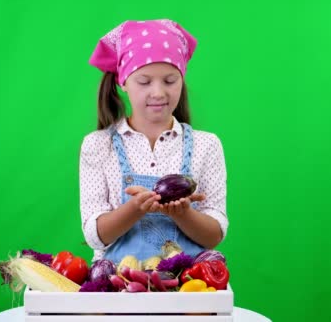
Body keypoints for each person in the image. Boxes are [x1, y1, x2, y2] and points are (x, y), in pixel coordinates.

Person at [80, 19, 228, 263]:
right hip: (119, 290)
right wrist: (135, 208)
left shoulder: (207, 145)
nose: (158, 92)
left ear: (182, 79)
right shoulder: (97, 146)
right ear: (123, 82)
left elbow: (214, 235)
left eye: (170, 80)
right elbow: (96, 236)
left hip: (189, 291)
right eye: (144, 81)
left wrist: (183, 214)